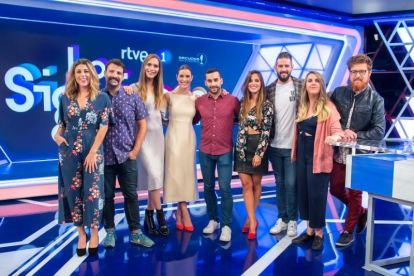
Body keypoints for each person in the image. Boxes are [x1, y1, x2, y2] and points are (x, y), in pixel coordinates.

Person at [55, 58, 114, 256]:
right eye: (79, 71)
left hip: (93, 152)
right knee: (72, 193)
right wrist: (56, 135)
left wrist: (92, 152)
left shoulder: (102, 98)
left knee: (93, 193)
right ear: (74, 75)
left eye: (86, 71)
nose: (83, 75)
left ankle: (95, 233)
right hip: (69, 153)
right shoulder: (64, 97)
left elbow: (104, 126)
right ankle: (81, 233)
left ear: (92, 74)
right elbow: (62, 123)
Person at [329, 54, 385, 247]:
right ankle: (361, 212)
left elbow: (379, 131)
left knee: (355, 193)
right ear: (349, 73)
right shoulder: (338, 93)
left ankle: (348, 230)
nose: (357, 76)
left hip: (360, 156)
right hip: (338, 153)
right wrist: (339, 132)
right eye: (354, 72)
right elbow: (325, 109)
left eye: (362, 71)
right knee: (335, 188)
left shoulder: (376, 100)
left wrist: (353, 135)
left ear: (369, 73)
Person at [101, 59, 154, 248]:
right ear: (105, 73)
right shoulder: (98, 98)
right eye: (112, 72)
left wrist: (135, 150)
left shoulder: (132, 96)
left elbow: (143, 124)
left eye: (119, 73)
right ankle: (109, 232)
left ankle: (136, 233)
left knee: (131, 196)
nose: (115, 75)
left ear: (123, 77)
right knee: (107, 197)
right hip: (104, 157)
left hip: (127, 156)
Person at [291, 71, 344, 251]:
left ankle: (319, 233)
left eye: (316, 81)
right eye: (309, 80)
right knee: (304, 193)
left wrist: (334, 137)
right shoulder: (302, 106)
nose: (313, 83)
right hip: (302, 152)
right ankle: (309, 230)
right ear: (305, 85)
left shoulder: (328, 107)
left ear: (321, 85)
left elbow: (338, 131)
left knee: (317, 195)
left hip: (319, 154)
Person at [193, 68, 240, 242]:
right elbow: (192, 120)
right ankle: (214, 220)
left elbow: (240, 119)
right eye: (209, 81)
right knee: (207, 187)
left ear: (221, 81)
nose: (213, 84)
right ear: (205, 83)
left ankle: (226, 226)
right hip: (205, 150)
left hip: (225, 151)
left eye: (215, 80)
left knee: (225, 188)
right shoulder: (199, 102)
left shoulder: (233, 101)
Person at [128, 54, 169, 236]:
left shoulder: (161, 91)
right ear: (144, 67)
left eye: (156, 66)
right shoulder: (133, 89)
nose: (152, 68)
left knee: (156, 179)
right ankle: (161, 216)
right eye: (149, 65)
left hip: (158, 137)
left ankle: (148, 214)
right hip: (142, 139)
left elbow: (165, 118)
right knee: (153, 175)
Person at [266, 52, 304, 237]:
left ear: (292, 67)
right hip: (274, 146)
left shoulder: (301, 85)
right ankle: (282, 218)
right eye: (280, 66)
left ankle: (292, 221)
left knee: (291, 184)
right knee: (279, 183)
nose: (283, 69)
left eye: (286, 66)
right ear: (275, 68)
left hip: (293, 146)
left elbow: (321, 98)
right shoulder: (269, 90)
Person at [234, 70, 274, 240]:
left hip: (259, 146)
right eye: (251, 80)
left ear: (261, 83)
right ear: (247, 84)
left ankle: (250, 219)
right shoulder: (242, 102)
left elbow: (266, 131)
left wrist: (259, 153)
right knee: (246, 184)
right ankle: (252, 220)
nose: (253, 83)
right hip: (242, 146)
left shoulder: (267, 105)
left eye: (257, 80)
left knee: (256, 184)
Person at [163, 64, 198, 231]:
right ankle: (184, 210)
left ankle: (179, 210)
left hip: (189, 139)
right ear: (176, 76)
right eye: (181, 76)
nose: (184, 79)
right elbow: (161, 117)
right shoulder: (168, 96)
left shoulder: (195, 98)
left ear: (192, 78)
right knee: (175, 174)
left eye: (187, 76)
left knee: (186, 174)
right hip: (173, 138)